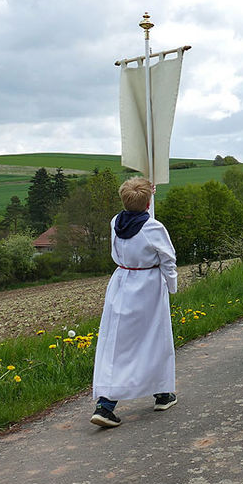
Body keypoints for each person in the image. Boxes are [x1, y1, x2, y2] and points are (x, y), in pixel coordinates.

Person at [90, 177, 178, 428]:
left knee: (118, 342)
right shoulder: (153, 228)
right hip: (147, 285)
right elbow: (168, 259)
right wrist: (172, 286)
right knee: (153, 339)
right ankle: (109, 404)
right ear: (149, 201)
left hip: (122, 281)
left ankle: (158, 393)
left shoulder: (115, 222)